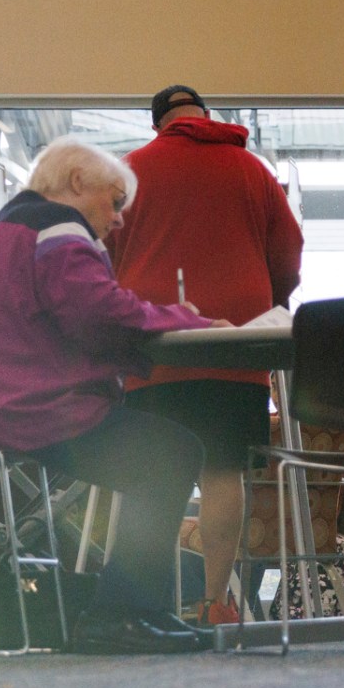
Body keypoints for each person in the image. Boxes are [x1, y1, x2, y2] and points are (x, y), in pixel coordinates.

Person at [0, 138, 224, 654]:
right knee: (170, 454)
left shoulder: (12, 226)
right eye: (114, 202)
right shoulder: (57, 225)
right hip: (17, 409)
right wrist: (185, 320)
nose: (118, 220)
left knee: (159, 452)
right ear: (77, 183)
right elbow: (96, 311)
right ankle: (122, 614)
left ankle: (135, 611)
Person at [109, 84, 304, 626]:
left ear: (158, 125)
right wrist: (271, 298)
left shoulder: (130, 171)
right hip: (236, 347)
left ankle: (146, 605)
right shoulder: (252, 170)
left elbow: (105, 248)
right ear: (206, 116)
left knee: (150, 471)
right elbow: (289, 253)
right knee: (223, 472)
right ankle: (215, 602)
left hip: (155, 347)